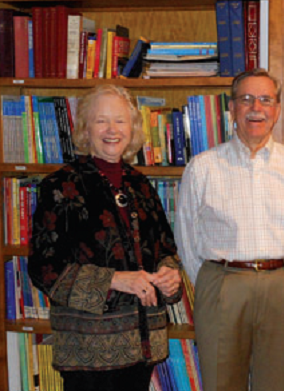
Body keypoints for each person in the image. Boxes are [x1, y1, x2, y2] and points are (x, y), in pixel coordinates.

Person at [28, 84, 183, 391]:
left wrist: (170, 276)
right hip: (88, 353)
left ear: (133, 128)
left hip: (142, 347)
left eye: (120, 120)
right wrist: (115, 279)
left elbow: (165, 249)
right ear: (86, 128)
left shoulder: (141, 185)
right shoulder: (59, 187)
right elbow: (44, 270)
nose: (112, 130)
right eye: (101, 120)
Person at [175, 68, 284, 391]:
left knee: (277, 383)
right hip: (223, 285)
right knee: (222, 383)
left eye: (266, 99)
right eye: (246, 99)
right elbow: (186, 237)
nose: (256, 107)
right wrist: (217, 281)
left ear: (277, 109)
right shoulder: (203, 167)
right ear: (232, 108)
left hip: (281, 286)